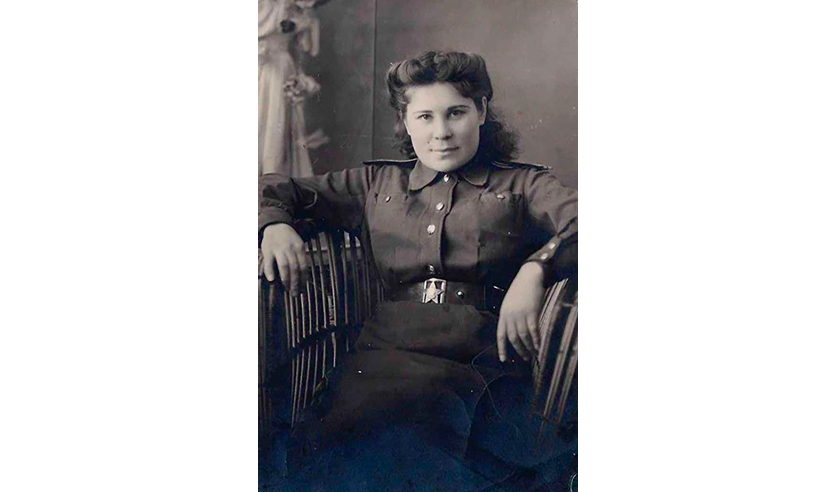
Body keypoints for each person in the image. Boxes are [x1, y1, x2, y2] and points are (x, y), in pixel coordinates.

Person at [258, 50, 578, 487]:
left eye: (456, 113)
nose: (441, 132)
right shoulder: (376, 184)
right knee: (348, 434)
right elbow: (274, 188)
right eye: (425, 117)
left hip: (482, 364)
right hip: (381, 358)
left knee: (426, 427)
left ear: (482, 111)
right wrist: (275, 224)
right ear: (405, 122)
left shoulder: (524, 185)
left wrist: (536, 269)